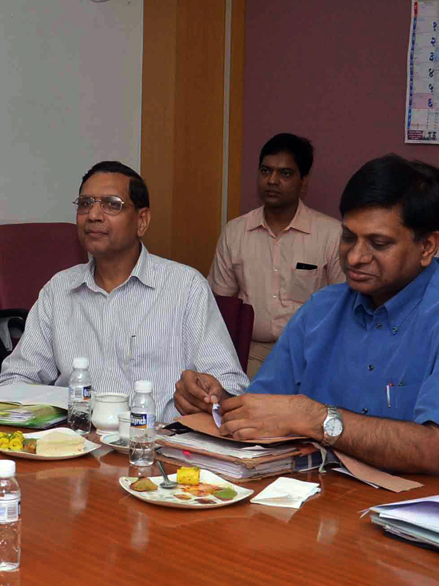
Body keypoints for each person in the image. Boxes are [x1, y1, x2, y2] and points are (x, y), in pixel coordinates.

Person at [176, 155, 439, 475]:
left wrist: (315, 418)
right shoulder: (321, 309)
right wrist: (218, 402)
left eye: (378, 243)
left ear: (427, 247)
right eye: (348, 237)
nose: (355, 257)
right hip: (316, 504)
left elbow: (433, 449)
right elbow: (266, 406)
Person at [0, 161, 248, 423]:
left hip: (156, 447)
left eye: (111, 204)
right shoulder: (58, 291)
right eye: (85, 203)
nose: (93, 215)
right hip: (74, 446)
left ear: (142, 221)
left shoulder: (185, 287)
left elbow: (230, 387)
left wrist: (212, 394)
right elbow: (15, 380)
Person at [208, 133, 344, 376]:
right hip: (249, 352)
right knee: (237, 406)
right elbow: (220, 305)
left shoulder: (331, 234)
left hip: (311, 352)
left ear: (304, 182)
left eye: (285, 173)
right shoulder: (235, 232)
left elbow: (346, 305)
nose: (272, 180)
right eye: (265, 171)